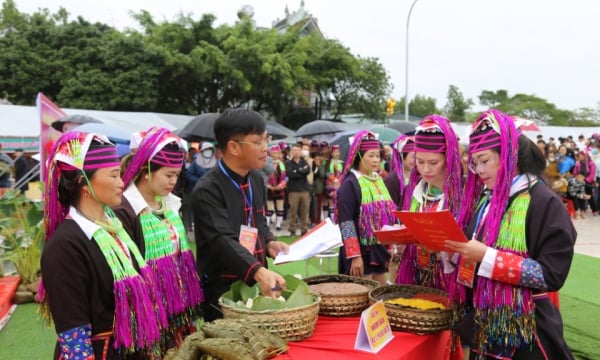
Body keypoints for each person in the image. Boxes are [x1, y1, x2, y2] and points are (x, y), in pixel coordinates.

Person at [448, 109, 576, 359]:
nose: (478, 170)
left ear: (510, 157)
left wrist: (487, 257)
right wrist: (453, 253)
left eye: (484, 161)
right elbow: (472, 252)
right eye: (474, 162)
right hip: (485, 322)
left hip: (527, 329)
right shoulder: (489, 201)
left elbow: (551, 274)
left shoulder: (544, 203)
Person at [39, 132, 164, 359]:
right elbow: (73, 333)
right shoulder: (65, 246)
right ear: (83, 183)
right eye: (114, 175)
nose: (121, 183)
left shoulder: (117, 227)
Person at [191, 108, 288, 322]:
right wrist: (259, 272)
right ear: (233, 147)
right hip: (223, 289)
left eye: (266, 140)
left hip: (256, 281)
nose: (266, 149)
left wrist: (269, 241)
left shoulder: (255, 179)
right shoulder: (208, 189)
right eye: (258, 142)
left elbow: (259, 220)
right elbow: (222, 240)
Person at [114, 127, 203, 348]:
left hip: (176, 303)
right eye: (168, 175)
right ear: (146, 171)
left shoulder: (170, 204)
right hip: (147, 309)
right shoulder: (125, 210)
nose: (174, 181)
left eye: (177, 175)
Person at [396, 115, 464, 302]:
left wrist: (444, 250)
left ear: (449, 158)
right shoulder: (414, 192)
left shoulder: (465, 196)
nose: (425, 170)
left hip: (451, 286)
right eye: (419, 162)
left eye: (433, 163)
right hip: (417, 279)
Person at [336, 130, 396, 286]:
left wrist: (389, 247)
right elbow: (346, 223)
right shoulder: (350, 184)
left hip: (378, 249)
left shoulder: (378, 180)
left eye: (378, 155)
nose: (376, 160)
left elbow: (386, 217)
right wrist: (355, 256)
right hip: (359, 252)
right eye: (370, 156)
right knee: (363, 299)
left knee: (380, 296)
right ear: (358, 156)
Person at [285, 143, 311, 236]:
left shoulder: (304, 162)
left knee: (304, 211)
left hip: (304, 189)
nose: (296, 152)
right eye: (294, 150)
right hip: (293, 190)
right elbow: (291, 174)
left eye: (298, 150)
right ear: (292, 152)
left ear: (301, 152)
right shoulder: (288, 163)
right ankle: (292, 230)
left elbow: (308, 171)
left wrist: (297, 170)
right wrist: (301, 171)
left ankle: (304, 229)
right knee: (293, 211)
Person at [383, 134, 416, 207]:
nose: (416, 161)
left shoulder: (419, 177)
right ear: (402, 157)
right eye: (413, 157)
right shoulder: (391, 180)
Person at [266, 145, 287, 230]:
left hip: (279, 189)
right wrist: (268, 185)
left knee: (280, 207)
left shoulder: (282, 164)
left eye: (277, 153)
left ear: (279, 154)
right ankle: (267, 224)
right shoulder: (267, 163)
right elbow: (264, 175)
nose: (275, 154)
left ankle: (278, 224)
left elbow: (286, 177)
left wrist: (281, 185)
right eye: (273, 153)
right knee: (269, 207)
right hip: (269, 188)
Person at [324, 144, 343, 219]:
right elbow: (327, 173)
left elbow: (343, 173)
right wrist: (334, 179)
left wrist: (340, 179)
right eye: (335, 152)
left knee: (338, 203)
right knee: (331, 202)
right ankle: (331, 219)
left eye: (338, 152)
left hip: (340, 185)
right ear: (331, 153)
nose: (337, 153)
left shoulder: (341, 162)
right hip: (330, 185)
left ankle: (337, 218)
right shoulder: (328, 162)